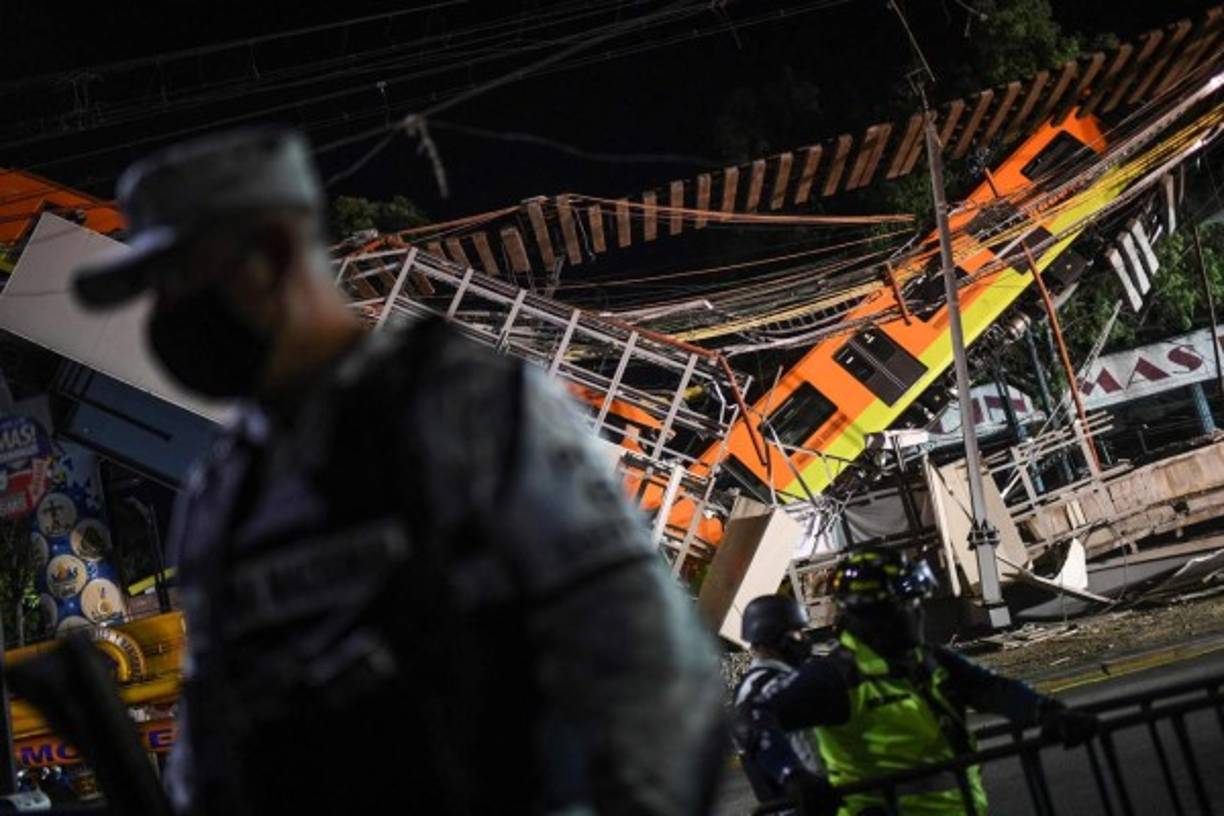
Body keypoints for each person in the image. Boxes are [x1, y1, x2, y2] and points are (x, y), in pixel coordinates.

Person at [72, 129, 726, 815]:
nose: (164, 318)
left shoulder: (469, 409)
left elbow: (653, 677)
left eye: (179, 282)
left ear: (267, 257)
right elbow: (216, 750)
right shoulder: (223, 496)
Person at [735, 548, 1097, 815]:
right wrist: (793, 777)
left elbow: (992, 689)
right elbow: (753, 718)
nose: (919, 612)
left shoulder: (928, 660)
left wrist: (1047, 712)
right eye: (909, 604)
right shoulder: (837, 677)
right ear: (874, 614)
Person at [732, 595, 823, 806]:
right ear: (773, 638)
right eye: (797, 632)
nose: (803, 639)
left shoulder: (788, 675)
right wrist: (791, 775)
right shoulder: (758, 686)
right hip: (800, 802)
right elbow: (752, 727)